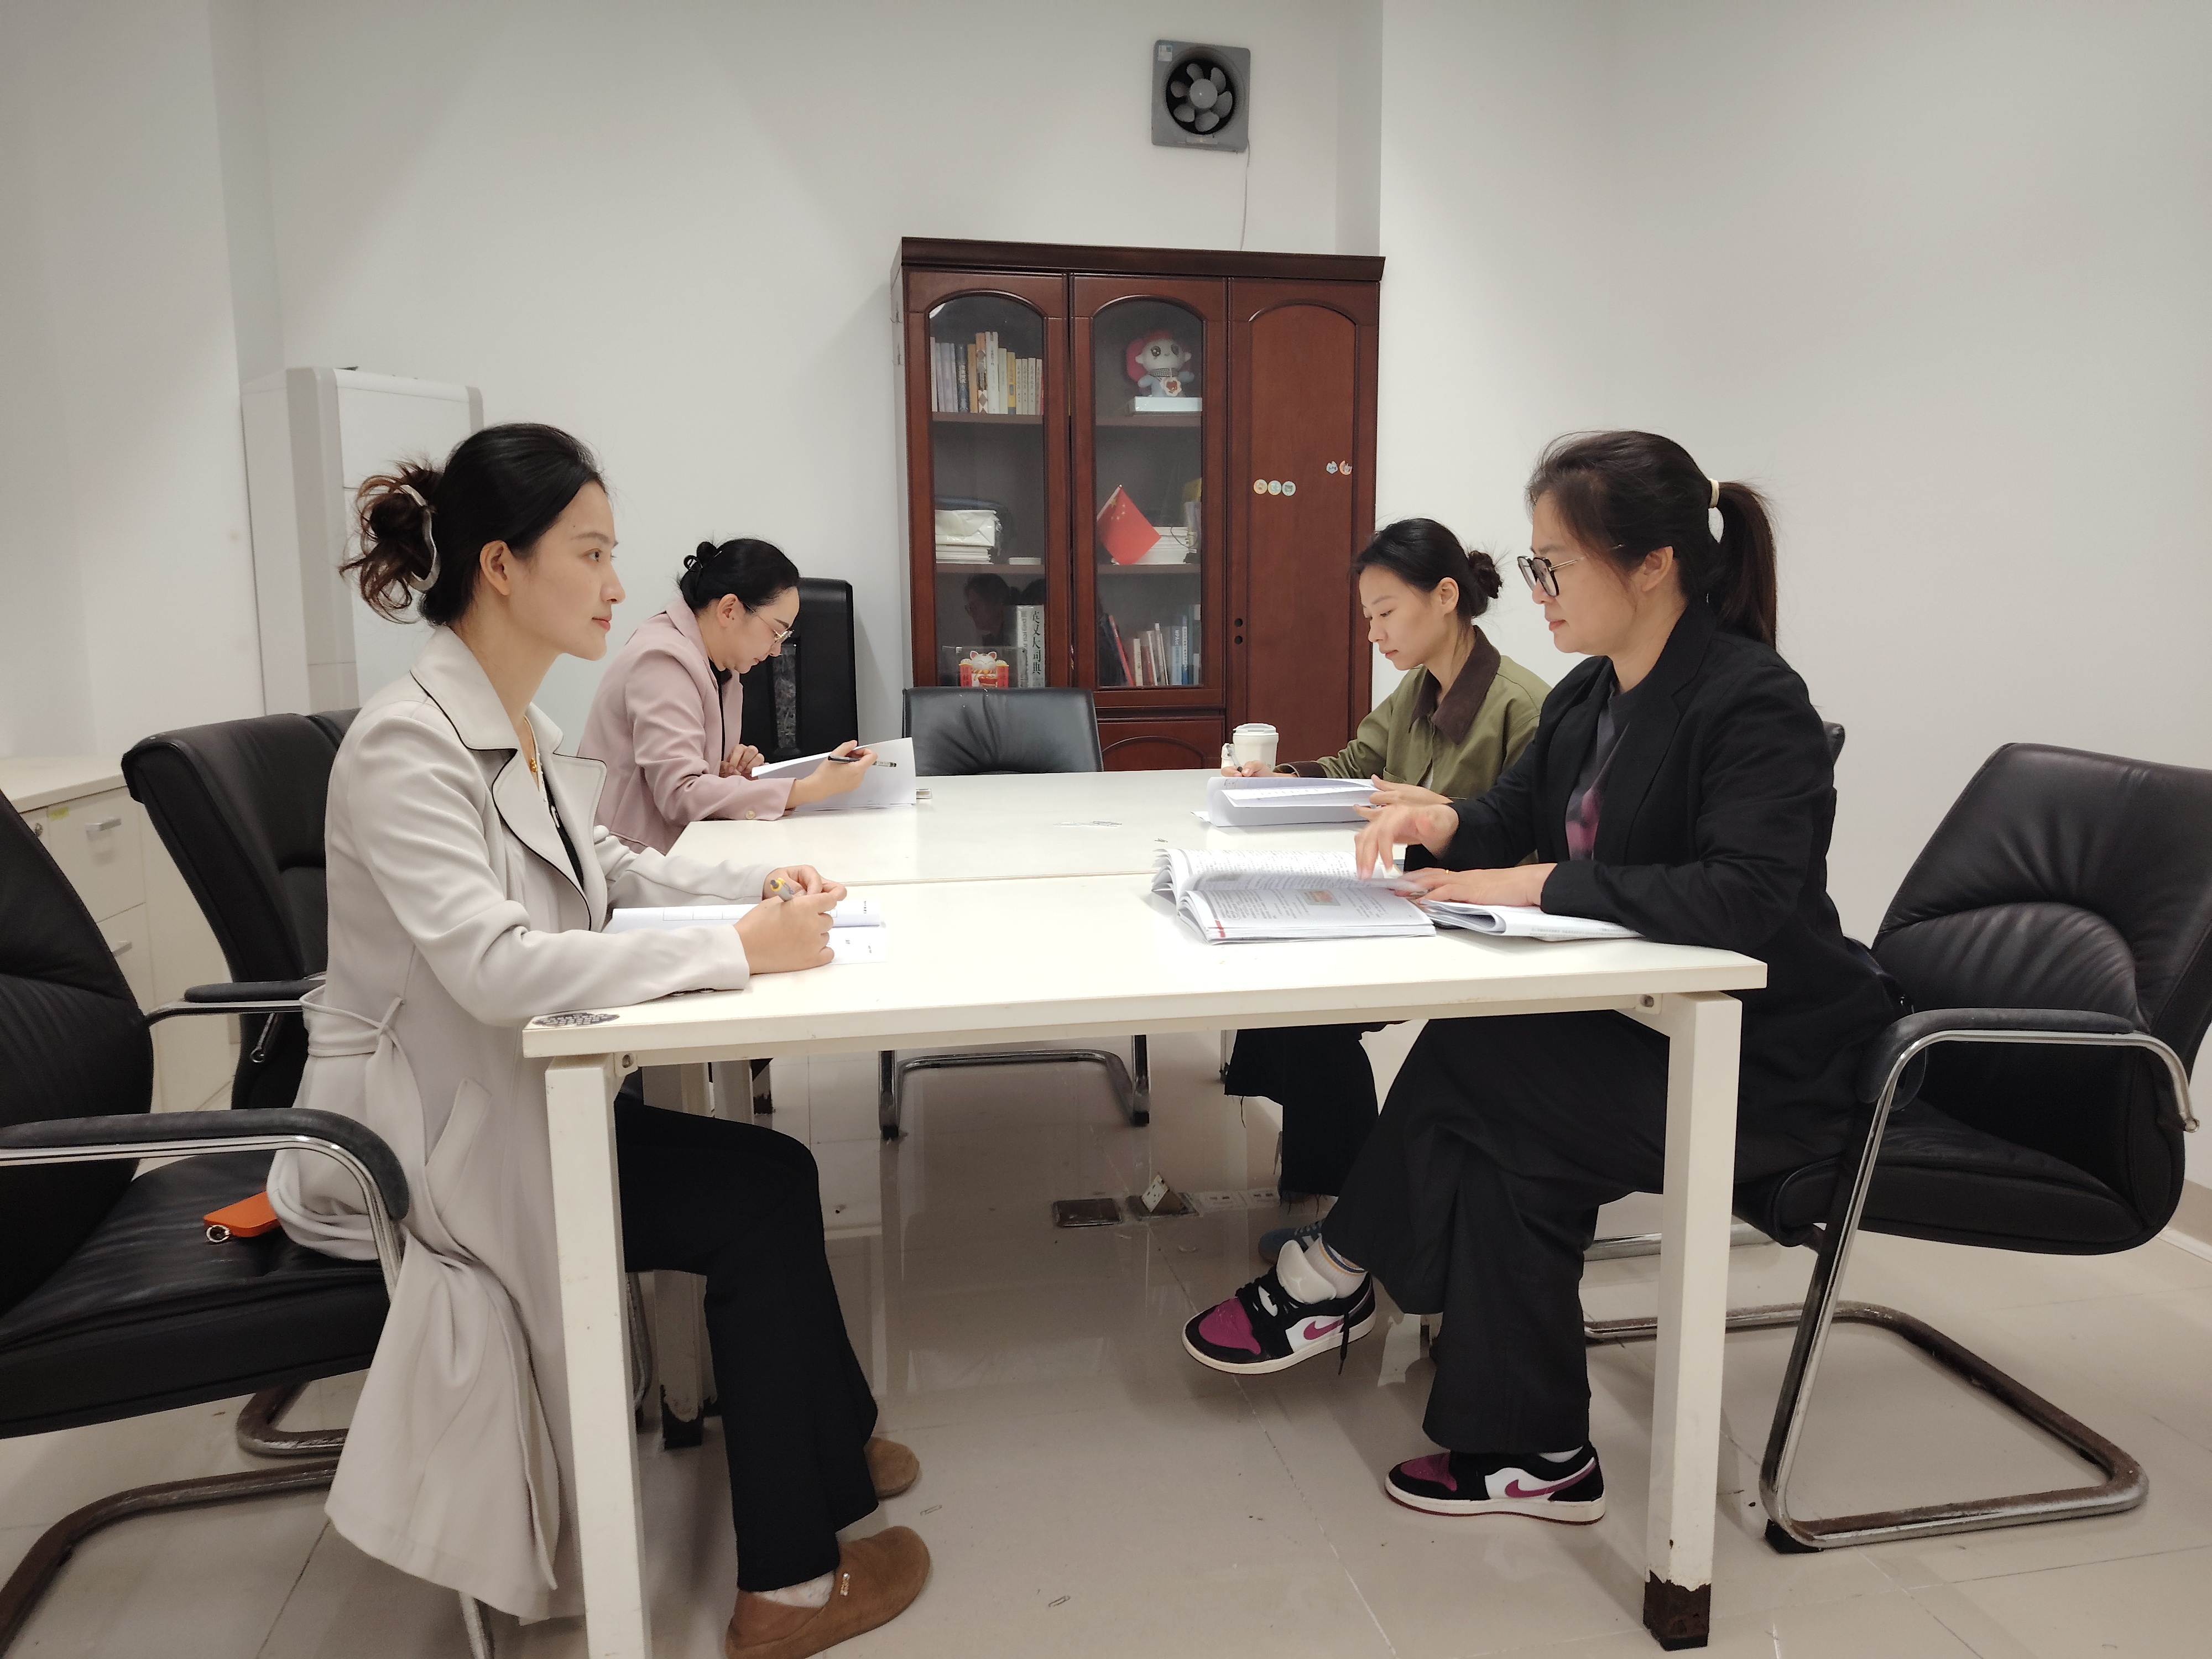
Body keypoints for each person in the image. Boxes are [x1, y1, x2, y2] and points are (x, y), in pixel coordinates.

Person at [265, 424, 927, 1657]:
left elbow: (612, 871)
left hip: (515, 1100)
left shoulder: (516, 720)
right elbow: (497, 968)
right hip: (429, 1147)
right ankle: (787, 1593)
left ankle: (826, 1453)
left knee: (776, 1175)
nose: (619, 586)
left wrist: (753, 895)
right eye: (592, 552)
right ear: (501, 566)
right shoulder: (408, 744)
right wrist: (739, 951)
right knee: (755, 1202)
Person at [1182, 431, 1897, 1527]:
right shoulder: (1587, 694)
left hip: (1771, 1073)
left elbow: (1744, 897)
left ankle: (1332, 1278)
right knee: (1503, 1132)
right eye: (1534, 565)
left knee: (1481, 1058)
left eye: (1552, 565)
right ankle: (1531, 1452)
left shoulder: (1751, 702)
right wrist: (1442, 822)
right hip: (1640, 1027)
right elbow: (1511, 815)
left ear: (1651, 565)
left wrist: (1539, 883)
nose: (1534, 591)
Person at [1218, 520, 1549, 1237]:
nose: (1374, 633)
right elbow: (1352, 767)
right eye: (1368, 617)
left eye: (1386, 612)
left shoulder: (1522, 707)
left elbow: (1539, 850)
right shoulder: (1418, 689)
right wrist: (1277, 780)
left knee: (1313, 1009)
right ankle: (1332, 1188)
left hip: (1474, 915)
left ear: (1445, 597)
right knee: (1278, 962)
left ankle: (1349, 1217)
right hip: (1407, 894)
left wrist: (1441, 812)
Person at [581, 537, 877, 856]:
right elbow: (680, 795)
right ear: (729, 610)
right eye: (775, 632)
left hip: (667, 852)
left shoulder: (721, 666)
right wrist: (809, 789)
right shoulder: (663, 660)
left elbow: (685, 779)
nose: (777, 650)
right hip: (624, 862)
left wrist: (725, 777)